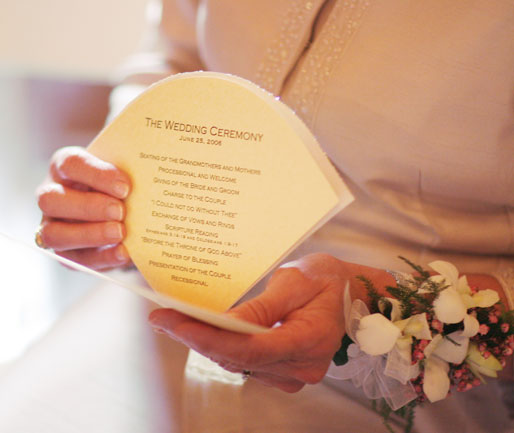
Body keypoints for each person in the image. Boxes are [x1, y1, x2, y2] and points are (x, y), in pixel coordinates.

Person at [36, 1, 514, 431]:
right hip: (157, 320)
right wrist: (114, 176)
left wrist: (375, 306)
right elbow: (174, 55)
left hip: (395, 398)